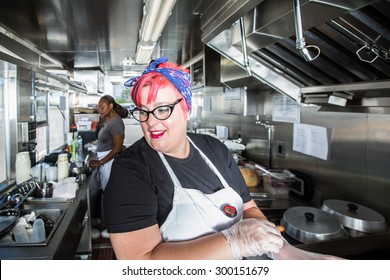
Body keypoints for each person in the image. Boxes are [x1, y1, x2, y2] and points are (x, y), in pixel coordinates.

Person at [103, 56, 342, 260]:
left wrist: (282, 250)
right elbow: (139, 262)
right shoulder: (131, 169)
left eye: (163, 109)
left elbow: (248, 208)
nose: (151, 121)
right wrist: (235, 241)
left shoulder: (214, 149)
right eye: (143, 111)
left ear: (186, 108)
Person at [88, 95, 128, 238]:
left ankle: (114, 229)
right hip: (105, 160)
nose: (100, 110)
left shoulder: (116, 122)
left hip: (110, 162)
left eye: (102, 107)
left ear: (111, 106)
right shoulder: (108, 119)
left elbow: (117, 148)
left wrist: (101, 162)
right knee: (106, 193)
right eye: (99, 107)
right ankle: (108, 223)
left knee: (111, 195)